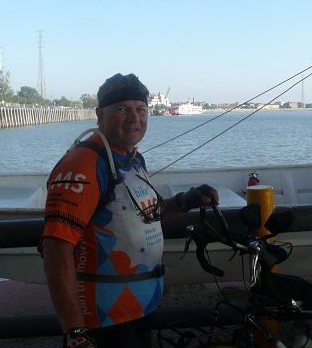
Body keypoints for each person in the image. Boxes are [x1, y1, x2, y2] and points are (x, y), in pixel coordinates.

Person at [40, 73, 219, 348]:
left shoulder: (131, 158)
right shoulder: (84, 164)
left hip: (140, 307)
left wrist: (187, 200)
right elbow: (56, 247)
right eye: (122, 109)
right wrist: (76, 331)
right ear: (100, 114)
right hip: (103, 318)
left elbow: (147, 214)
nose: (134, 117)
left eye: (141, 109)